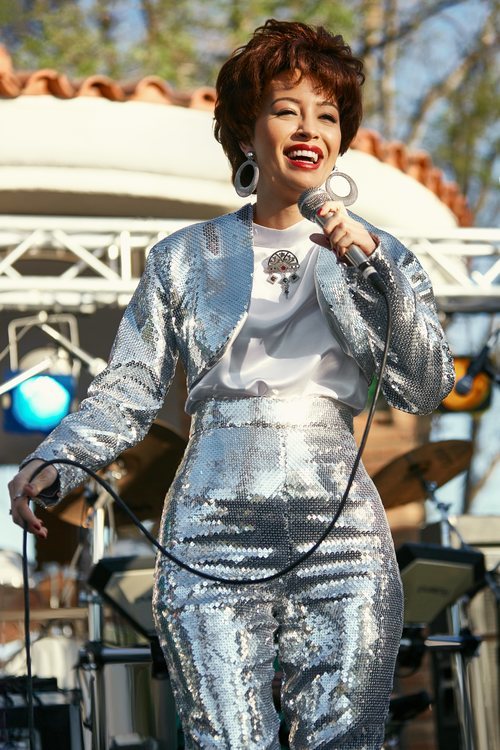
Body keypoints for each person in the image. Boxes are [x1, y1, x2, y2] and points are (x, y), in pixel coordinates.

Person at [9, 19, 454, 750]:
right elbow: (128, 388)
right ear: (247, 131)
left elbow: (426, 386)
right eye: (287, 109)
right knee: (225, 738)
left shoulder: (379, 254)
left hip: (340, 524)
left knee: (348, 736)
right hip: (212, 521)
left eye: (328, 116)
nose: (309, 129)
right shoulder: (184, 257)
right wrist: (57, 459)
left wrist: (375, 266)